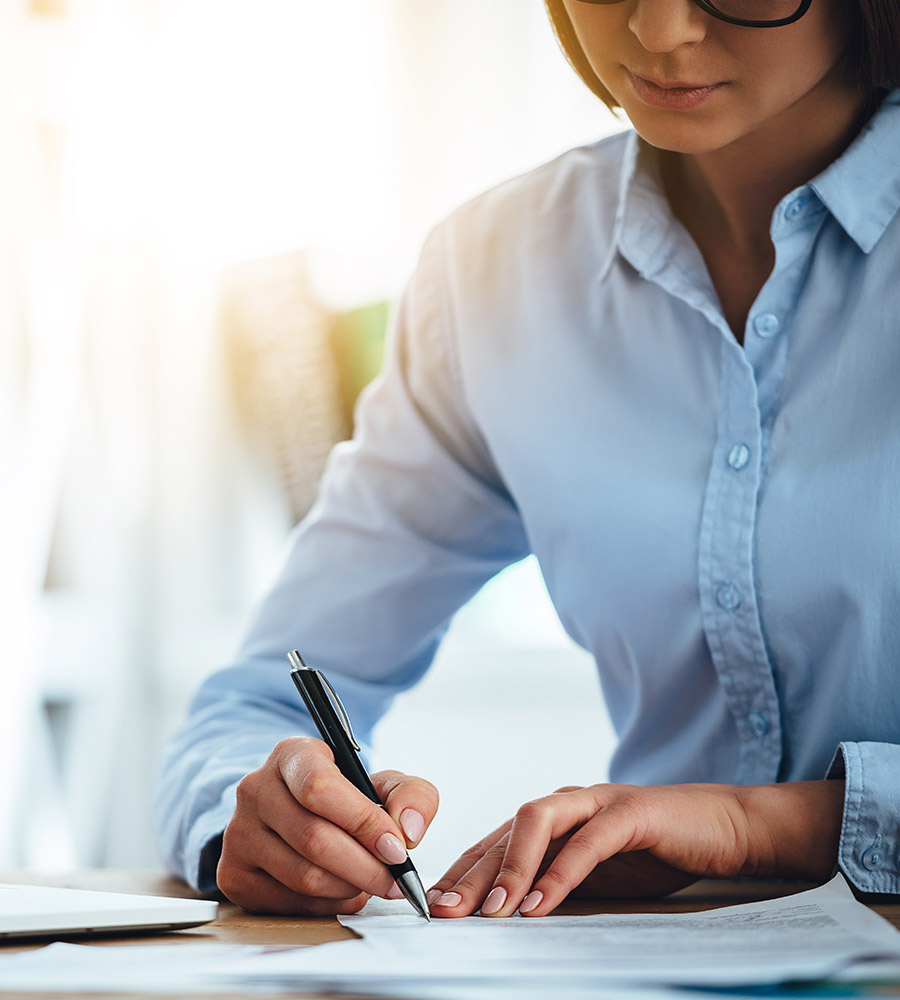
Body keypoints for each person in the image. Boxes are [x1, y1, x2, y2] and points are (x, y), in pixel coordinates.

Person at [156, 0, 900, 918]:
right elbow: (254, 707)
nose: (661, 29)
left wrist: (768, 827)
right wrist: (271, 815)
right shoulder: (495, 269)